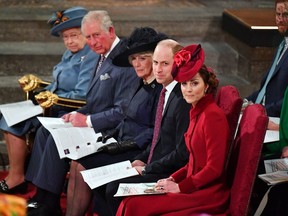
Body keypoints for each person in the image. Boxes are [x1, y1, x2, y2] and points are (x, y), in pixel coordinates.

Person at [25, 10, 138, 216]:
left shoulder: (124, 59)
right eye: (88, 37)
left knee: (55, 138)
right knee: (46, 130)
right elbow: (95, 101)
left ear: (111, 31)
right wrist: (75, 114)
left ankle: (48, 203)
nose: (92, 42)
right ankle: (42, 196)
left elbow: (123, 111)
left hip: (113, 130)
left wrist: (86, 119)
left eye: (96, 35)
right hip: (95, 120)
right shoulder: (101, 54)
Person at [115, 44, 230, 216]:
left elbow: (214, 169)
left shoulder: (213, 115)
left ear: (206, 86)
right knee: (130, 200)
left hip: (205, 192)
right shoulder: (196, 111)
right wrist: (174, 177)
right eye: (184, 84)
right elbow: (193, 160)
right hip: (190, 183)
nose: (188, 89)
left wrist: (180, 186)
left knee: (134, 205)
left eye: (195, 83)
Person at [65, 26, 167, 216]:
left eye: (142, 58)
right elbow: (127, 117)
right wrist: (111, 135)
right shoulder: (140, 83)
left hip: (136, 150)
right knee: (76, 161)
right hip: (121, 142)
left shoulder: (159, 90)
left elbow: (155, 131)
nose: (137, 63)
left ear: (154, 60)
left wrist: (122, 146)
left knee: (81, 167)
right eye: (133, 59)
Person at [0, 6, 97, 194]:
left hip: (68, 109)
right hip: (53, 103)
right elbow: (58, 83)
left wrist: (52, 98)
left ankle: (18, 177)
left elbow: (82, 94)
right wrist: (40, 88)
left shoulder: (91, 56)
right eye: (65, 37)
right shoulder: (70, 53)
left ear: (86, 33)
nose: (69, 41)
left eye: (74, 35)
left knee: (12, 123)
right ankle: (17, 175)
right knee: (7, 118)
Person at [104, 39, 191, 216]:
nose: (158, 69)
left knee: (113, 188)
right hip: (154, 164)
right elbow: (159, 138)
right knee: (104, 182)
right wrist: (141, 159)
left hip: (169, 173)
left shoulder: (182, 99)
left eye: (165, 64)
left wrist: (146, 169)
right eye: (156, 63)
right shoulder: (164, 91)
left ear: (178, 64)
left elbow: (182, 153)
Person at [243, 0, 288, 118]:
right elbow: (267, 89)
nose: (280, 19)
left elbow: (285, 103)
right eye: (278, 14)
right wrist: (244, 103)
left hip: (277, 120)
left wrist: (261, 110)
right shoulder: (282, 45)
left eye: (286, 15)